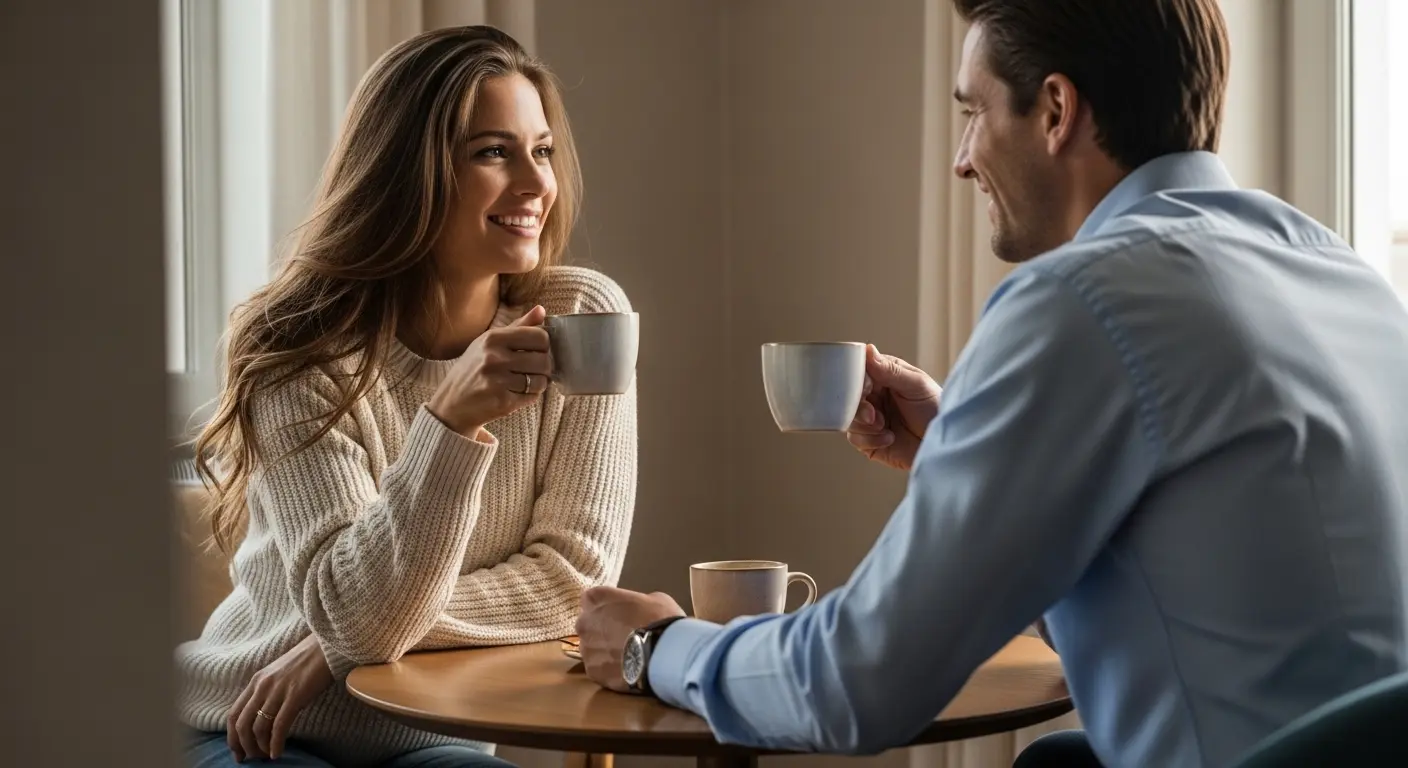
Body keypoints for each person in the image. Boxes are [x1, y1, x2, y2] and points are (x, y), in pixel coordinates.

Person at [574, 1, 1408, 766]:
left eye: (972, 112)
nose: (962, 161)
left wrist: (661, 648)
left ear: (1054, 110)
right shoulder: (1340, 272)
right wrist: (963, 452)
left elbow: (857, 683)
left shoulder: (1083, 301)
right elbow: (1199, 579)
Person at [176, 26, 637, 768]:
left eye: (542, 151)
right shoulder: (293, 347)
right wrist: (450, 423)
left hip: (432, 736)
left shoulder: (584, 323)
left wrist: (329, 651)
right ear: (408, 172)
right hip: (254, 727)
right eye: (494, 152)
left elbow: (572, 583)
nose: (535, 185)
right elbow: (353, 616)